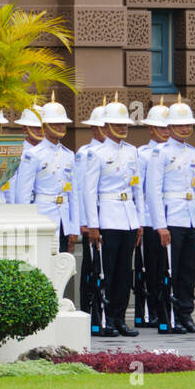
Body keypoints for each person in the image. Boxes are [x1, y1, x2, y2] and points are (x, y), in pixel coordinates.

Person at [145, 96, 195, 334]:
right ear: (169, 127)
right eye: (181, 125)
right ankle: (166, 317)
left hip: (189, 217)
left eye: (188, 125)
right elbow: (153, 191)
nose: (185, 128)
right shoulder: (160, 153)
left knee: (187, 271)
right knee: (167, 270)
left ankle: (185, 314)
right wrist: (160, 225)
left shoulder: (193, 153)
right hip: (170, 219)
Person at [82, 96, 143, 337]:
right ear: (105, 127)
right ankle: (104, 319)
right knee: (105, 272)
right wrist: (93, 225)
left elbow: (137, 188)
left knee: (123, 273)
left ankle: (119, 318)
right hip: (107, 217)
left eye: (125, 124)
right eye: (117, 124)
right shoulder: (95, 153)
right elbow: (89, 191)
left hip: (128, 217)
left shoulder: (132, 152)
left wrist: (138, 222)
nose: (122, 128)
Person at [12, 96, 78, 254]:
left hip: (63, 221)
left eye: (63, 123)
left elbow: (74, 194)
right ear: (45, 126)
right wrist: (25, 225)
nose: (61, 127)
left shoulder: (69, 155)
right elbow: (24, 193)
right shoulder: (33, 155)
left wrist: (74, 227)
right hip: (42, 216)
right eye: (56, 123)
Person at [135, 99, 171, 328]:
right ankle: (148, 311)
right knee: (151, 268)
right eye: (162, 127)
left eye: (169, 127)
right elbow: (139, 189)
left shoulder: (177, 152)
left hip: (172, 217)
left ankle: (166, 310)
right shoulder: (143, 154)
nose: (166, 132)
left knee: (167, 268)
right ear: (151, 129)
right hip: (149, 219)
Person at [75, 104, 107, 316]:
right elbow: (79, 189)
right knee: (92, 266)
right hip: (92, 217)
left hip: (111, 216)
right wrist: (84, 221)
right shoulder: (86, 153)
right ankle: (89, 307)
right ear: (95, 129)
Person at [0, 105, 44, 203]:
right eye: (36, 128)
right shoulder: (16, 152)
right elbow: (11, 187)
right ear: (24, 129)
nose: (40, 131)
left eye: (43, 128)